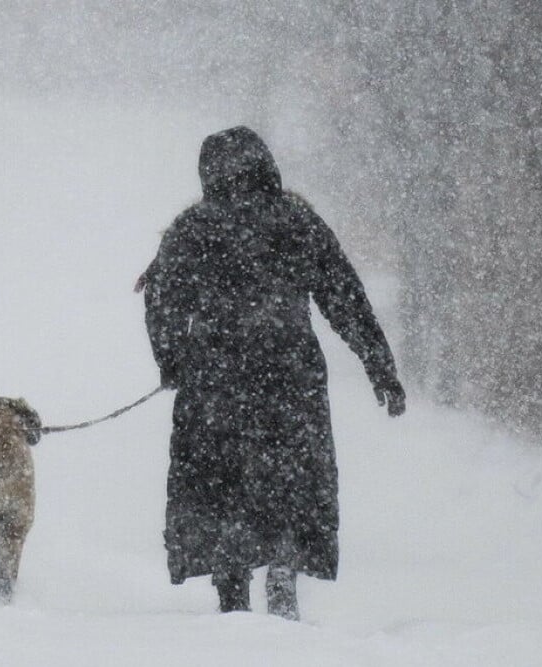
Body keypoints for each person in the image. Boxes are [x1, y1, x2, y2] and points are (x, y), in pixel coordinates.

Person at [140, 126, 405, 620]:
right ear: (267, 166)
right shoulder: (298, 220)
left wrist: (172, 361)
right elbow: (344, 295)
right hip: (290, 376)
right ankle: (285, 563)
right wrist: (379, 364)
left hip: (216, 380)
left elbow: (162, 304)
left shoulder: (192, 228)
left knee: (221, 483)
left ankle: (232, 589)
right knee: (293, 479)